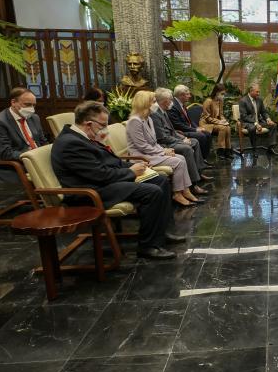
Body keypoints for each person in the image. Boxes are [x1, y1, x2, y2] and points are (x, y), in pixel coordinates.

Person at [51, 101, 184, 260]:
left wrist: (134, 166)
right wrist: (130, 172)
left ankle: (161, 232)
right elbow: (99, 174)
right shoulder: (71, 143)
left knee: (160, 180)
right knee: (151, 192)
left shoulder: (83, 136)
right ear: (89, 124)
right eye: (103, 125)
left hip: (101, 184)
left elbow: (109, 162)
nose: (105, 129)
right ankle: (148, 246)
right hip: (89, 192)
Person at [126, 91, 205, 207]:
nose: (155, 104)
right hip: (141, 156)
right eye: (153, 102)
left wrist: (164, 150)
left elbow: (153, 142)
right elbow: (142, 146)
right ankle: (177, 193)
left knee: (181, 158)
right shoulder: (134, 121)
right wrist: (163, 151)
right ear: (145, 103)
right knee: (178, 162)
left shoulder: (148, 119)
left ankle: (186, 190)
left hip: (152, 153)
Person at [151, 87, 214, 183]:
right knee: (187, 148)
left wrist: (183, 138)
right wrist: (182, 140)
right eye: (170, 100)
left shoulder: (163, 111)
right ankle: (194, 182)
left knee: (195, 141)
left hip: (172, 138)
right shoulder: (155, 114)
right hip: (165, 144)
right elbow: (162, 137)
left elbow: (172, 131)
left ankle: (199, 172)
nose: (172, 102)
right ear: (165, 101)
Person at [0, 87, 48, 183]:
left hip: (37, 162)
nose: (31, 109)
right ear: (13, 102)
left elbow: (42, 141)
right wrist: (31, 156)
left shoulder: (34, 118)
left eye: (34, 105)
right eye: (27, 104)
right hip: (13, 167)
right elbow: (5, 152)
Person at [168, 84, 211, 159]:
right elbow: (177, 124)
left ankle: (204, 158)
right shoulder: (173, 106)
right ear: (181, 95)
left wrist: (197, 128)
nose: (190, 96)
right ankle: (201, 159)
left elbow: (189, 120)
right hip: (180, 131)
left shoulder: (181, 103)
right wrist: (195, 130)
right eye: (187, 94)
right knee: (202, 136)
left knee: (207, 133)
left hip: (187, 128)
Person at [238, 83, 278, 155]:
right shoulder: (243, 101)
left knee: (273, 125)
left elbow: (263, 112)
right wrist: (256, 124)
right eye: (257, 92)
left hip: (259, 122)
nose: (258, 93)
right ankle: (254, 149)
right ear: (251, 91)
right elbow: (244, 116)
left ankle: (270, 147)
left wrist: (268, 119)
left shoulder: (259, 100)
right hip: (248, 123)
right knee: (252, 128)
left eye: (259, 92)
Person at [199, 83, 232, 160]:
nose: (223, 96)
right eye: (222, 94)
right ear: (217, 92)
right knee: (223, 128)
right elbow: (207, 117)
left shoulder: (220, 101)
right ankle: (220, 151)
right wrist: (219, 122)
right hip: (206, 124)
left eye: (224, 94)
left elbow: (221, 114)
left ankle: (227, 150)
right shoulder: (208, 101)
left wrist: (223, 120)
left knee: (228, 127)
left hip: (215, 123)